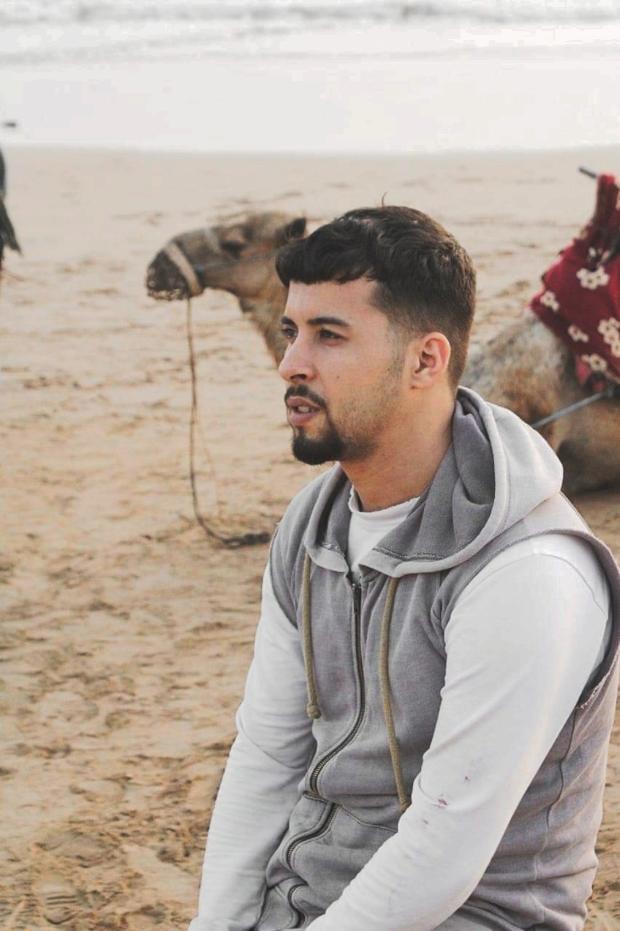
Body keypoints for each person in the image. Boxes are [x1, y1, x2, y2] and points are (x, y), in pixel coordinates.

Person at [187, 206, 619, 931]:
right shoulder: (312, 528)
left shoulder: (528, 570)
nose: (292, 363)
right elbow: (267, 756)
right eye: (292, 331)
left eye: (329, 335)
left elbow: (442, 846)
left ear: (426, 360)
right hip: (309, 898)